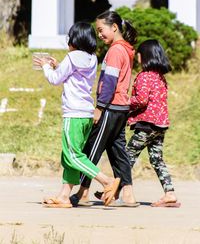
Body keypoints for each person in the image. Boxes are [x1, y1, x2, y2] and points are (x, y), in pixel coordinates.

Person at [33, 22, 120, 208]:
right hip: (86, 114)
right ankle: (64, 196)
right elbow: (74, 76)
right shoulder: (92, 58)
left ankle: (106, 181)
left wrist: (46, 67)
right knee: (69, 157)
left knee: (73, 156)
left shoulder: (71, 57)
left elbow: (55, 79)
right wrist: (59, 65)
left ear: (74, 39)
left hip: (73, 113)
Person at [71, 11, 139, 207]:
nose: (99, 35)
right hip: (121, 109)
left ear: (114, 27)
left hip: (110, 107)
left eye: (101, 30)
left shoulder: (116, 51)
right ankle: (128, 195)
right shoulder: (126, 49)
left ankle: (83, 193)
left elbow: (110, 81)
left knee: (92, 148)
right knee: (119, 152)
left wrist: (100, 107)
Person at [126, 39, 181, 207]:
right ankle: (169, 193)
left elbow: (141, 100)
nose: (137, 58)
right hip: (160, 125)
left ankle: (115, 190)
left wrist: (126, 101)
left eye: (139, 55)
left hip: (146, 125)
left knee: (127, 156)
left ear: (145, 56)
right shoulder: (160, 77)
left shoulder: (144, 76)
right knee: (157, 159)